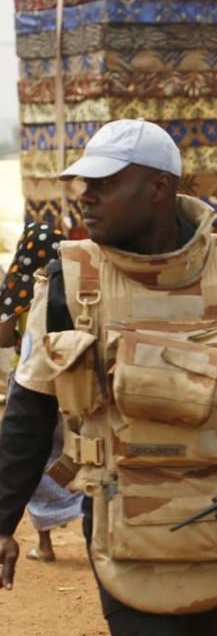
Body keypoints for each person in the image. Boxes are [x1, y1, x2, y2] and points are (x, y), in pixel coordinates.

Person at [0, 119, 217, 635]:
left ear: (159, 187)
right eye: (84, 183)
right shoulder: (72, 280)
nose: (85, 197)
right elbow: (29, 407)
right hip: (119, 519)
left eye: (105, 183)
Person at [0, 222, 83, 563]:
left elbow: (3, 338)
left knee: (35, 458)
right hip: (73, 383)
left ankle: (44, 542)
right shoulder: (72, 281)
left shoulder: (18, 287)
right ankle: (87, 516)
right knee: (78, 455)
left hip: (31, 382)